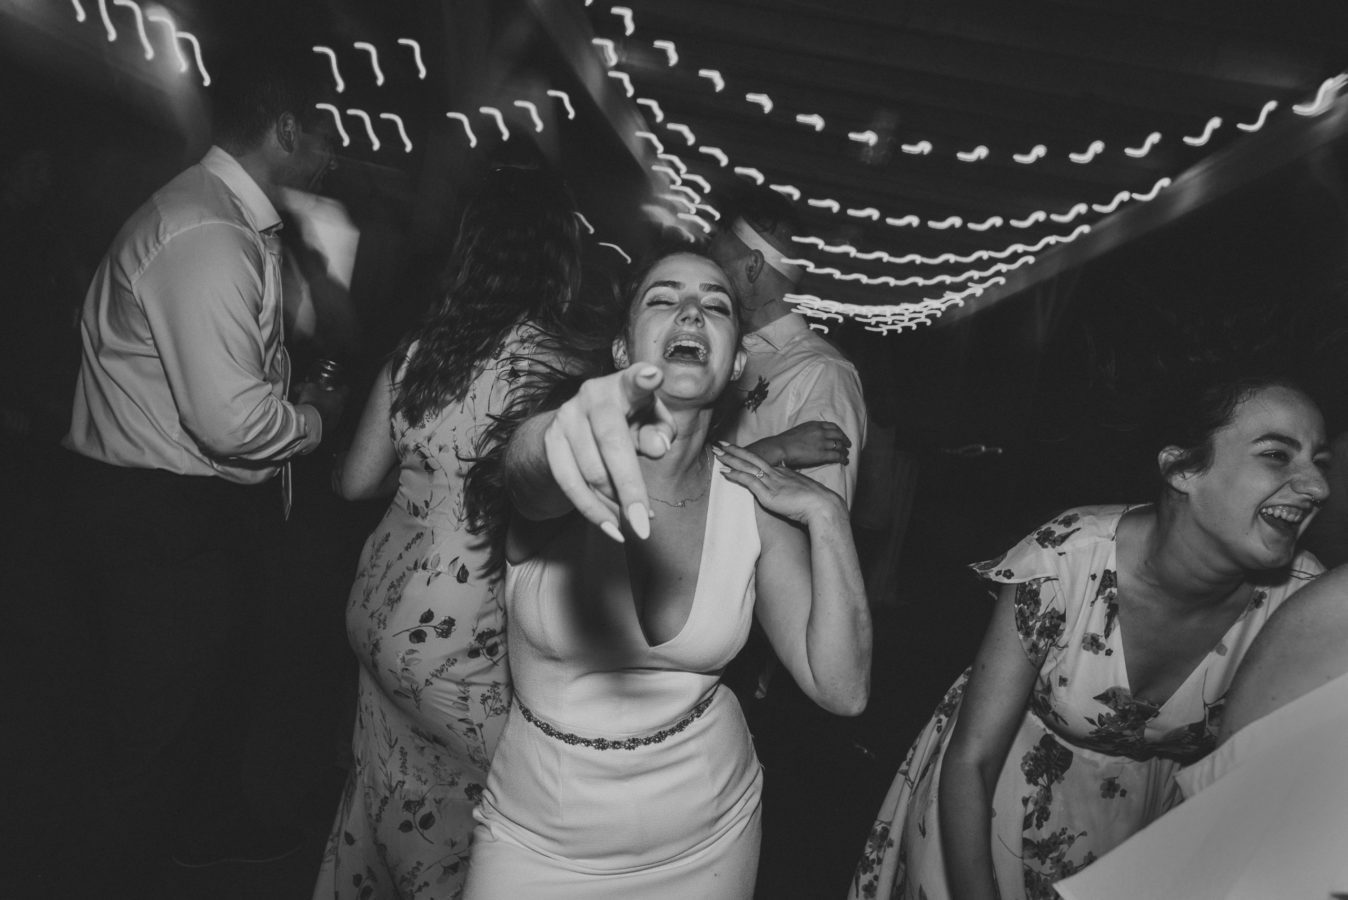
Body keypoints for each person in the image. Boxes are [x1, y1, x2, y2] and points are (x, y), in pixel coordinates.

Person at [462, 249, 873, 899]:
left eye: (715, 305)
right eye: (663, 298)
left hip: (708, 839)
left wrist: (826, 517)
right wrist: (556, 433)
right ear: (624, 352)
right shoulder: (574, 469)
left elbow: (842, 687)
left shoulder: (751, 504)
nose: (691, 310)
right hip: (539, 844)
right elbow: (530, 473)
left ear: (737, 363)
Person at [850, 374, 1330, 900]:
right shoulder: (1068, 559)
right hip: (986, 806)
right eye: (1278, 456)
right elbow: (973, 757)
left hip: (1137, 839)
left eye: (1319, 463)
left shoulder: (1305, 608)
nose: (1317, 487)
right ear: (1182, 469)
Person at [63, 51, 344, 880]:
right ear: (287, 130)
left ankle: (193, 831)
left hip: (170, 515)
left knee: (190, 706)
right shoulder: (208, 231)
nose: (334, 155)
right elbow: (231, 421)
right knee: (153, 730)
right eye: (324, 134)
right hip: (156, 520)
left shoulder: (220, 218)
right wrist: (317, 423)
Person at [313, 166, 583, 900]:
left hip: (375, 609)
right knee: (471, 832)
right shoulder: (556, 375)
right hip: (459, 641)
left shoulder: (421, 350)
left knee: (380, 792)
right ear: (559, 261)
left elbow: (355, 481)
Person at [1052, 564, 1348, 900]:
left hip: (1158, 803)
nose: (1311, 507)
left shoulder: (1304, 580)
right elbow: (1237, 811)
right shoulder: (1330, 607)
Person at [708, 187, 866, 507]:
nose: (707, 280)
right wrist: (773, 450)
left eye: (717, 268)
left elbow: (821, 527)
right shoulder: (719, 352)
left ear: (752, 266)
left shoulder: (821, 375)